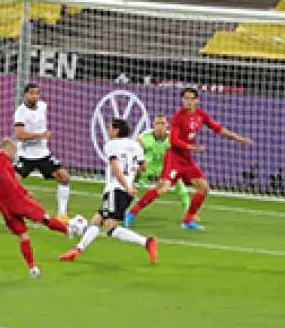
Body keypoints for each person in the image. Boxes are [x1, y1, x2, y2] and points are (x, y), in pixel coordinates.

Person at [126, 88, 251, 230]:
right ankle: (132, 212)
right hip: (174, 157)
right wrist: (191, 147)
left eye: (192, 98)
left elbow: (218, 128)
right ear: (182, 100)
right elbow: (173, 140)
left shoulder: (201, 115)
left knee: (203, 188)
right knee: (162, 188)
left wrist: (238, 138)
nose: (189, 101)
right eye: (186, 98)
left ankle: (187, 220)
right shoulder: (178, 116)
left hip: (186, 159)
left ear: (197, 100)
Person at [60, 118, 159, 265]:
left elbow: (116, 169)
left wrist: (126, 186)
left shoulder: (111, 145)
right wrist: (132, 174)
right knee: (96, 220)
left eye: (110, 128)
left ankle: (147, 242)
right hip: (124, 190)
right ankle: (77, 250)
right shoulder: (136, 145)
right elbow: (143, 167)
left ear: (117, 130)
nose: (108, 130)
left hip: (117, 189)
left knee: (110, 228)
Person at [0, 137, 71, 278]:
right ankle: (68, 230)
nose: (15, 154)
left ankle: (33, 268)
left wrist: (22, 191)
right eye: (14, 150)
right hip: (15, 200)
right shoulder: (1, 158)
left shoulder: (3, 161)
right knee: (45, 218)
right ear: (9, 147)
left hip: (5, 205)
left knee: (23, 235)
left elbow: (8, 180)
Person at [13, 82, 73, 221]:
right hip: (26, 155)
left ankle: (62, 215)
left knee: (64, 177)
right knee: (10, 182)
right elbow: (20, 135)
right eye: (32, 93)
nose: (35, 96)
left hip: (43, 154)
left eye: (37, 93)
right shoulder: (20, 112)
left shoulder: (43, 107)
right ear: (25, 94)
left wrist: (42, 137)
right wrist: (40, 135)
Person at [135, 114, 193, 219]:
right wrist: (138, 165)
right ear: (153, 124)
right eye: (157, 123)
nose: (160, 126)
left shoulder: (173, 138)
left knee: (180, 186)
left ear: (167, 125)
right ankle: (126, 207)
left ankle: (189, 212)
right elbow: (135, 153)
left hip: (166, 167)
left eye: (162, 123)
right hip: (149, 165)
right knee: (130, 175)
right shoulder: (144, 137)